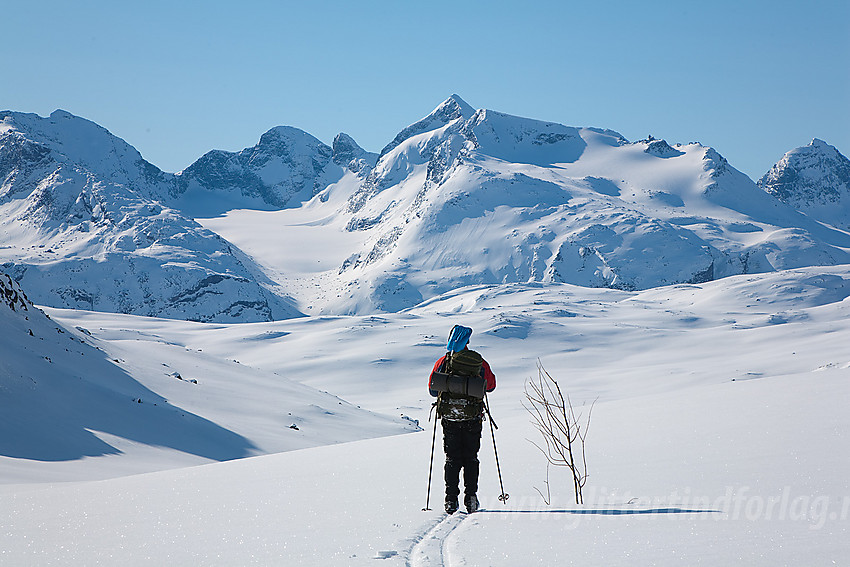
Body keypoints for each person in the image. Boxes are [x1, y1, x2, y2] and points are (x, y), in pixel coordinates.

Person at [428, 325, 496, 514]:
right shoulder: (478, 362)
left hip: (450, 418)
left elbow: (433, 390)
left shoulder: (442, 362)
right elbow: (490, 386)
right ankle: (471, 498)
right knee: (471, 458)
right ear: (467, 342)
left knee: (452, 459)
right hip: (473, 417)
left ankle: (450, 500)